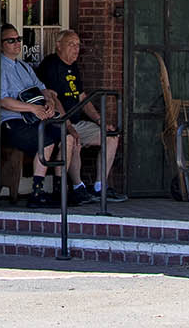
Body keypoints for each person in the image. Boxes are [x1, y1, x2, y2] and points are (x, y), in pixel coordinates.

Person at [35, 29, 125, 202]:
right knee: (73, 140)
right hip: (58, 124)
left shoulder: (73, 67)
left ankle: (100, 187)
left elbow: (83, 98)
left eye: (77, 45)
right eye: (71, 44)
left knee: (111, 137)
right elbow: (53, 98)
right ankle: (78, 187)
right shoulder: (51, 65)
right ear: (58, 46)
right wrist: (68, 125)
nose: (76, 49)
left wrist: (101, 121)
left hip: (77, 122)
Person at [0, 23, 65, 208]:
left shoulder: (25, 66)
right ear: (1, 44)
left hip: (36, 118)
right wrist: (32, 108)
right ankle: (37, 191)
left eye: (18, 39)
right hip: (13, 122)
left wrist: (49, 103)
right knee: (47, 141)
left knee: (65, 136)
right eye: (11, 40)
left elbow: (43, 89)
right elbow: (2, 101)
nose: (17, 43)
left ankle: (62, 189)